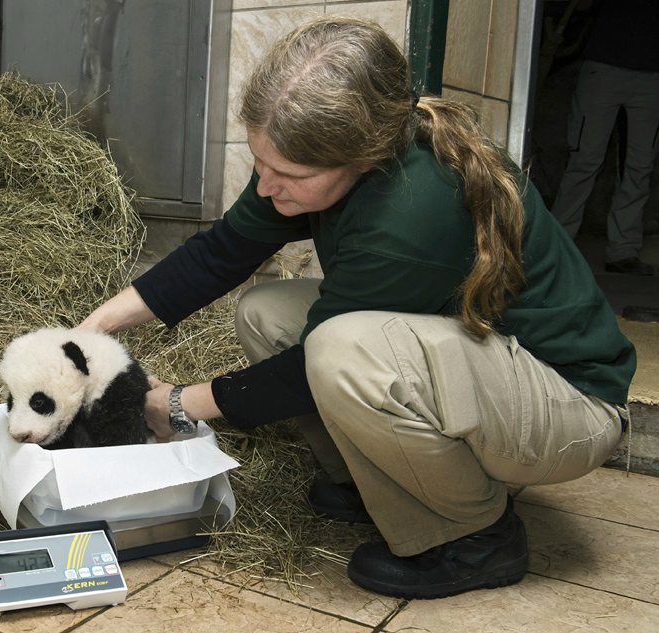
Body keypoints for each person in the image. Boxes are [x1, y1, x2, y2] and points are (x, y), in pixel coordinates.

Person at [78, 17, 635, 599]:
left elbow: (307, 371)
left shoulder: (416, 204)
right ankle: (369, 483)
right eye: (259, 164)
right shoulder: (315, 157)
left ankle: (477, 536)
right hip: (488, 362)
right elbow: (224, 252)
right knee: (267, 311)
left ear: (364, 157)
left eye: (289, 175)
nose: (267, 187)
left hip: (566, 407)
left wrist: (173, 405)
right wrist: (95, 328)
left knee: (341, 352)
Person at [550, 0, 659, 276]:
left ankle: (623, 251)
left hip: (651, 75)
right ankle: (557, 246)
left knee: (639, 165)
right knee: (584, 160)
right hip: (603, 66)